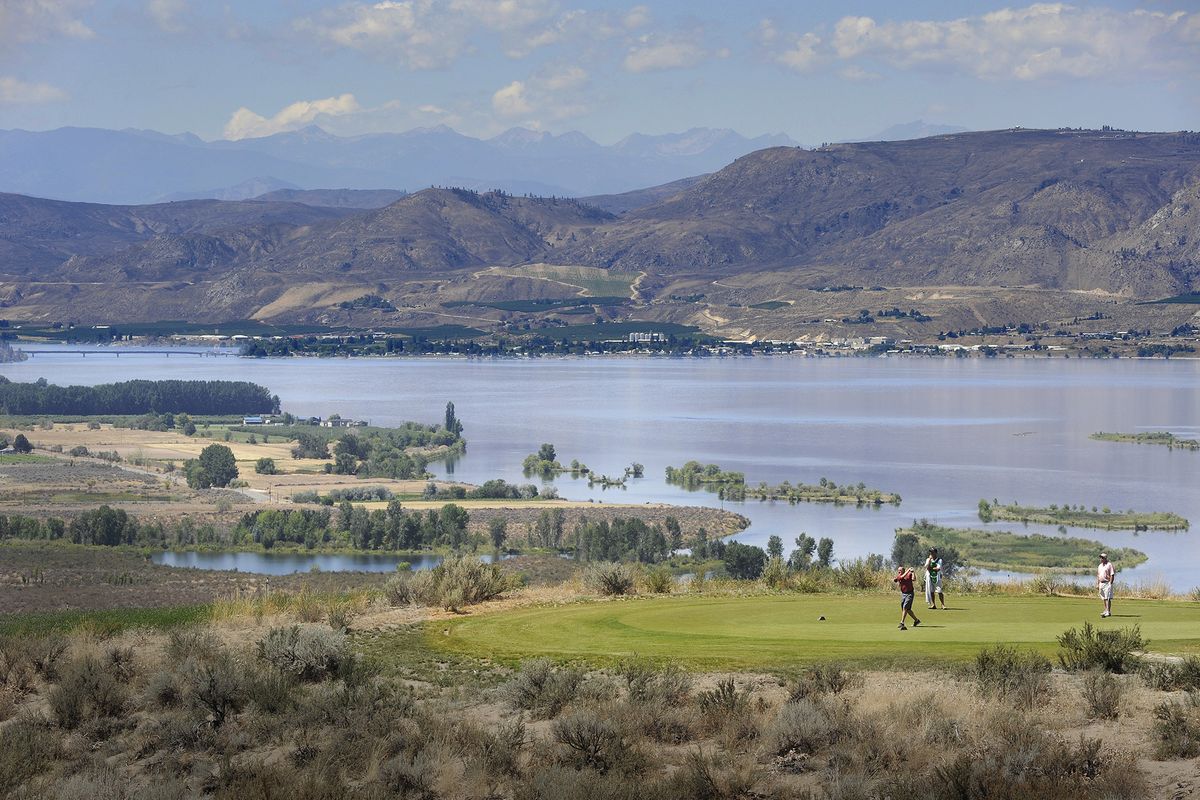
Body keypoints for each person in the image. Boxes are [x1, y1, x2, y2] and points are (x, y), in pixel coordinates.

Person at [893, 565, 921, 630]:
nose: (899, 571)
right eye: (898, 571)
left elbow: (914, 579)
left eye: (900, 570)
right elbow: (901, 577)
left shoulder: (909, 574)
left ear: (903, 570)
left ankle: (902, 622)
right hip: (903, 594)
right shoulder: (899, 576)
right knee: (907, 609)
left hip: (910, 594)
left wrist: (913, 572)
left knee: (905, 607)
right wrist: (908, 570)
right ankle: (916, 620)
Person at [1097, 552, 1115, 618]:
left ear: (1105, 558)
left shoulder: (1109, 565)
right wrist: (1097, 584)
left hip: (1107, 583)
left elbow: (1112, 575)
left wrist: (1110, 583)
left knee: (1107, 598)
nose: (1100, 559)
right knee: (1104, 598)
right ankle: (1105, 610)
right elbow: (1098, 575)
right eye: (1100, 558)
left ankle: (1108, 611)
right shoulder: (1100, 566)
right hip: (1101, 583)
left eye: (1102, 558)